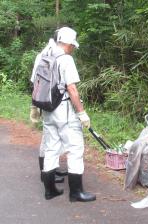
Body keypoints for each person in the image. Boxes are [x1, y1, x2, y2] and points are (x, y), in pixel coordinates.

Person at [36, 26, 96, 202]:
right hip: (64, 111)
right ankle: (76, 193)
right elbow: (72, 89)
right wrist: (82, 113)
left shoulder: (44, 55)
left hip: (47, 110)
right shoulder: (66, 60)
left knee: (51, 148)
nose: (73, 49)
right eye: (73, 46)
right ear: (68, 43)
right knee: (75, 148)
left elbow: (36, 83)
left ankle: (50, 191)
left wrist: (35, 108)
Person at [30, 30, 67, 183]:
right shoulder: (47, 54)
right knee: (47, 138)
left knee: (50, 138)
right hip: (47, 100)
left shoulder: (47, 52)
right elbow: (36, 79)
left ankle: (51, 170)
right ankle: (46, 174)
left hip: (45, 98)